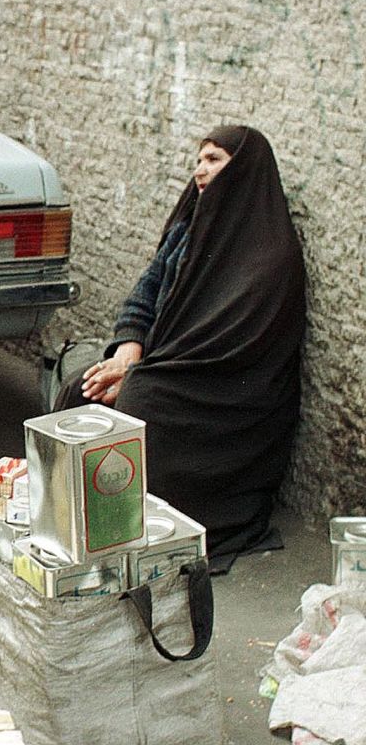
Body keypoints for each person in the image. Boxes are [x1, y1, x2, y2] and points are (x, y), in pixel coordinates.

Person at [55, 126, 305, 570]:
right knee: (81, 391)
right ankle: (78, 519)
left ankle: (131, 525)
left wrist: (139, 377)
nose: (200, 171)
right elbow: (148, 288)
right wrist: (128, 349)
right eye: (198, 161)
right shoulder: (189, 228)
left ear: (243, 169)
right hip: (167, 365)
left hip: (222, 395)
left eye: (214, 160)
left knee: (136, 406)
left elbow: (229, 348)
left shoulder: (270, 254)